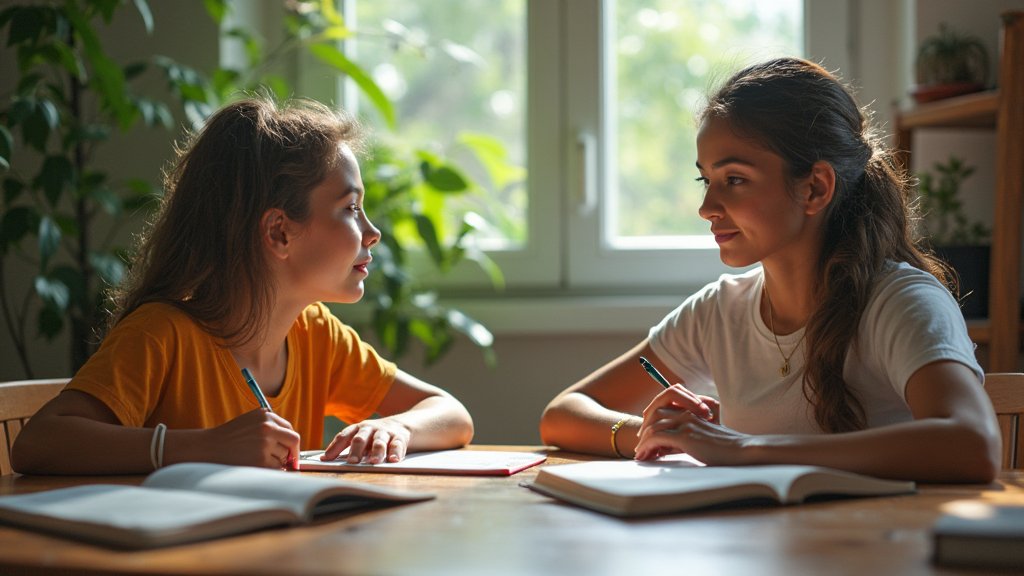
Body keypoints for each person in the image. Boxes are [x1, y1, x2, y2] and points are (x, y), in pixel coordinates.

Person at [539, 57, 1001, 483]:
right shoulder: (720, 311)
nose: (706, 207)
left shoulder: (899, 302)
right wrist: (646, 431)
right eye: (706, 180)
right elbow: (562, 413)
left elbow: (972, 445)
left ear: (815, 188)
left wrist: (747, 449)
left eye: (734, 180)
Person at [12, 97, 474, 475]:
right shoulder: (162, 332)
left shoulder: (315, 334)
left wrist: (397, 429)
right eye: (351, 209)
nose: (372, 232)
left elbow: (450, 412)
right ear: (279, 233)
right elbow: (39, 443)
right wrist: (206, 445)